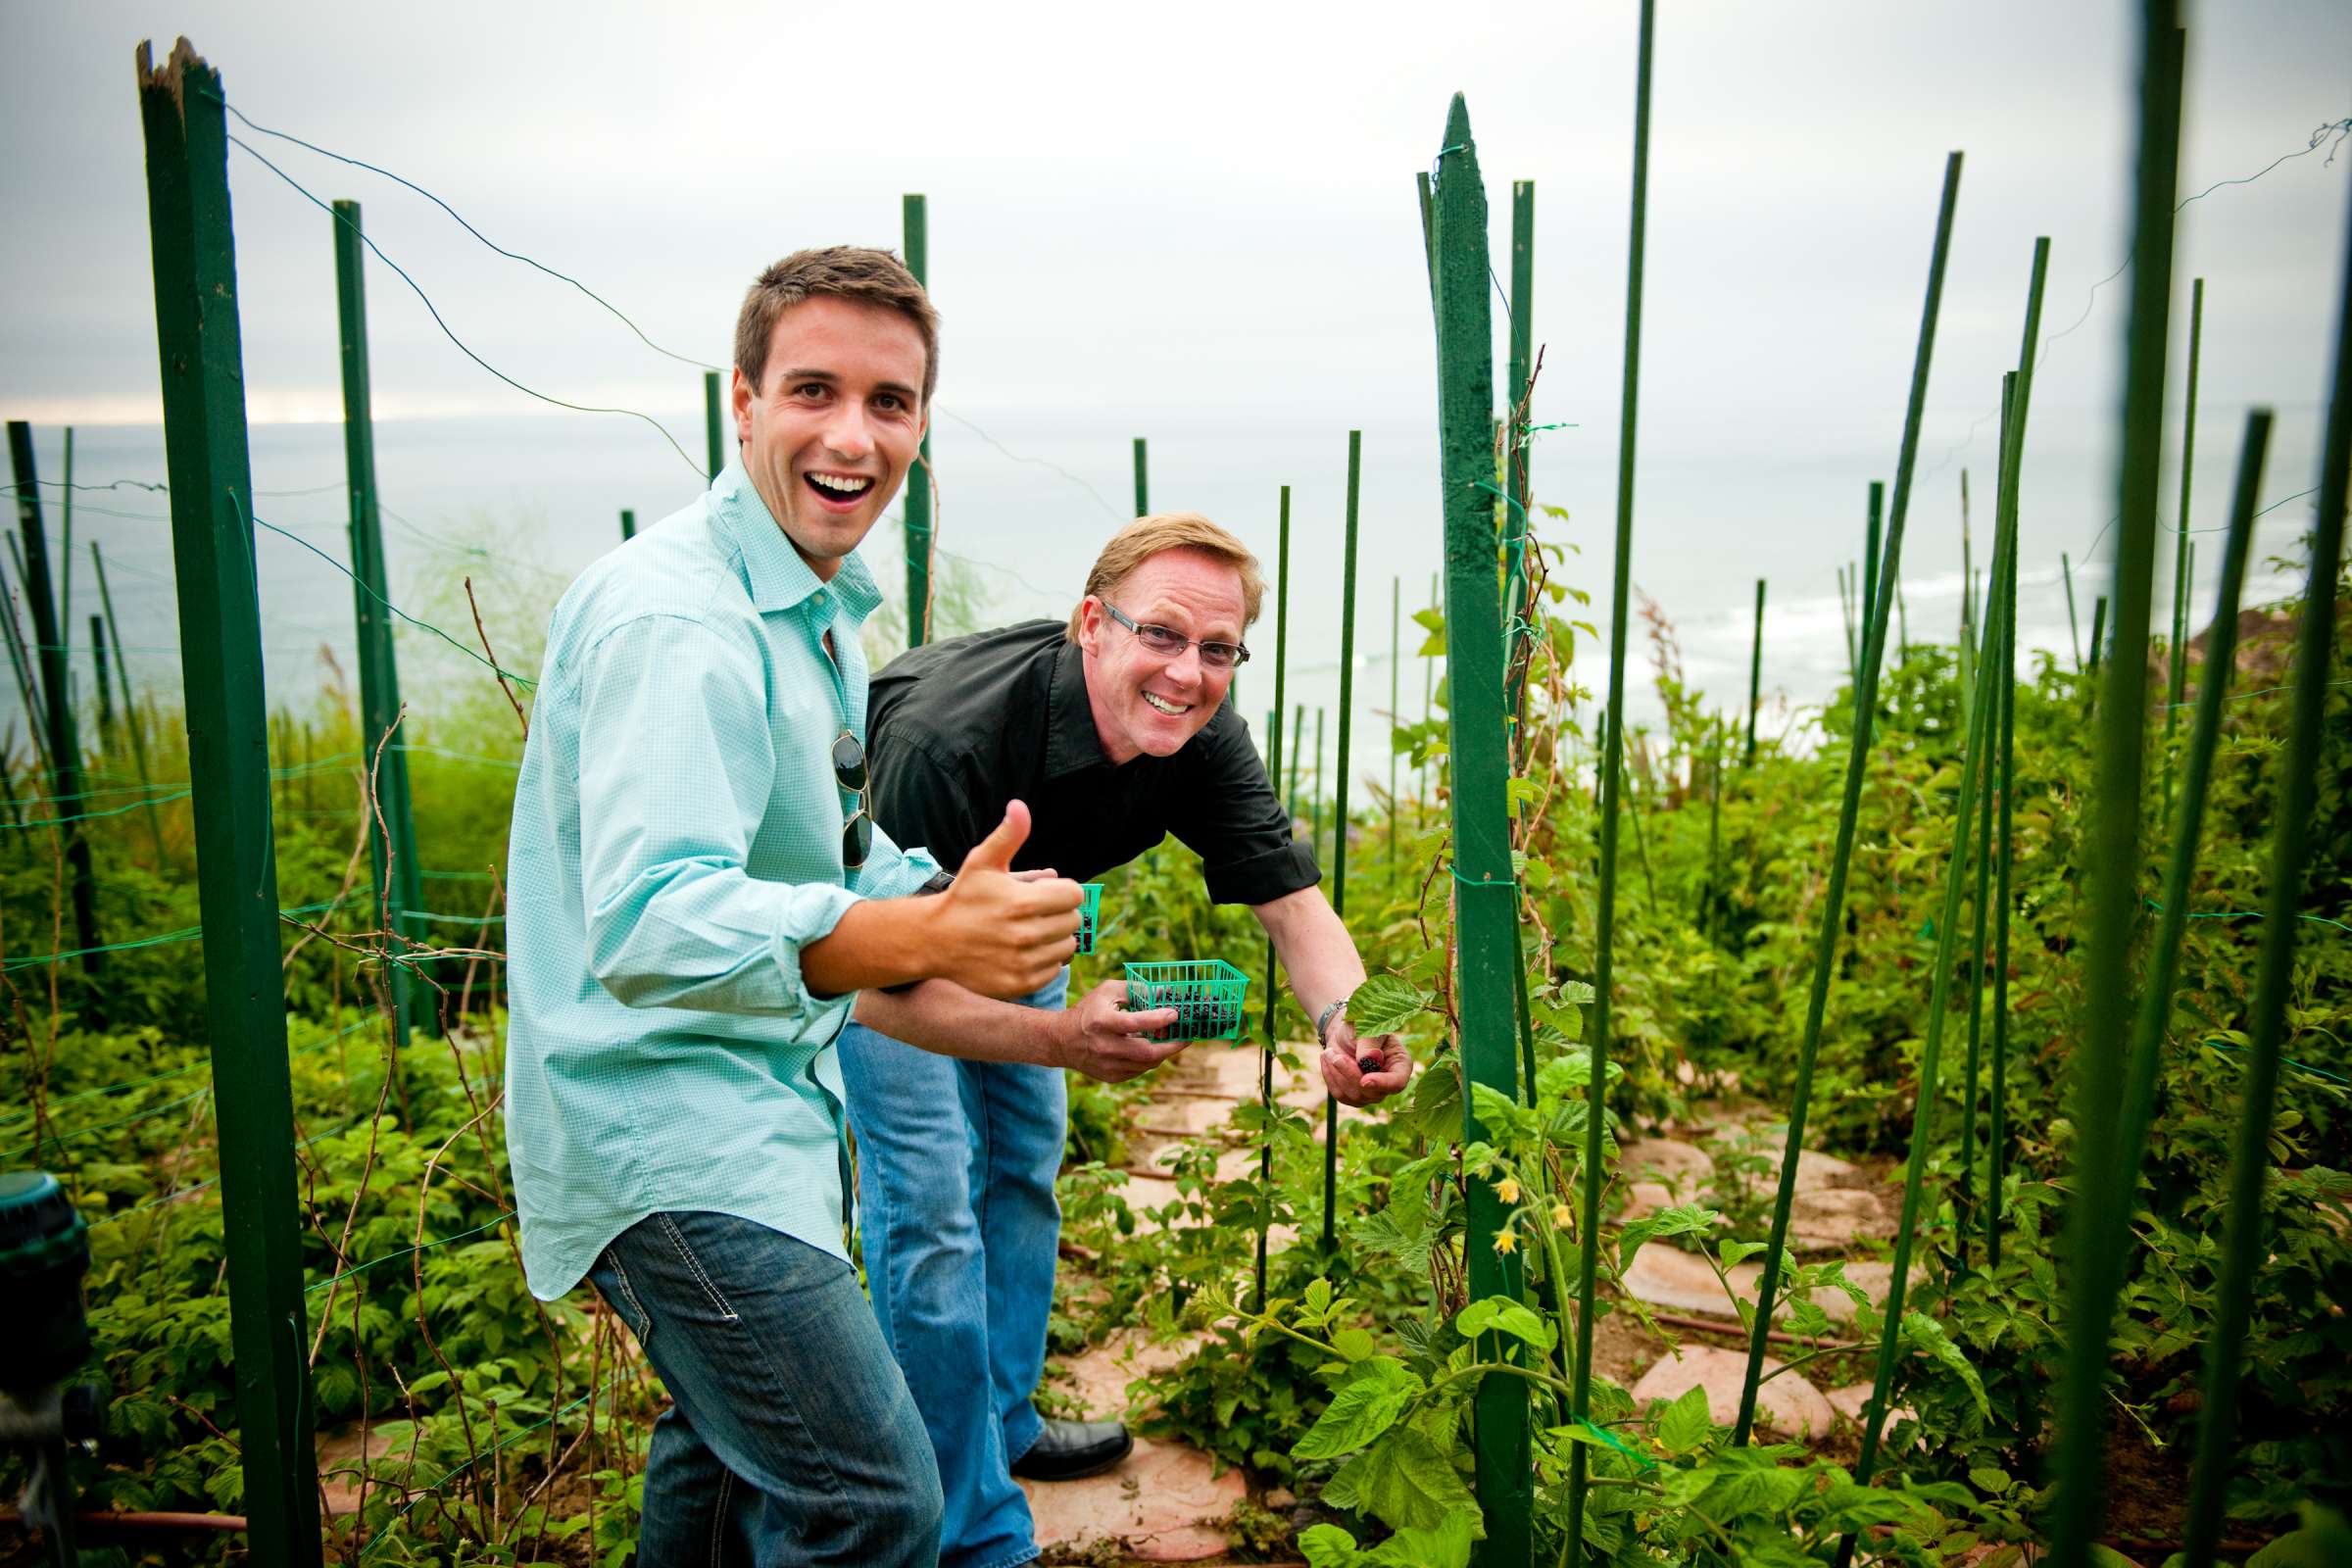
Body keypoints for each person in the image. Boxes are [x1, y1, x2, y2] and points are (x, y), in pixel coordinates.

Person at [503, 247, 1189, 1568]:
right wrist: (929, 931)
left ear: (921, 428)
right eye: (814, 388)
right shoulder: (680, 622)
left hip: (754, 1120)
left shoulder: (810, 615)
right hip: (666, 1147)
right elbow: (651, 924)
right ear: (744, 402)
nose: (852, 434)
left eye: (892, 402)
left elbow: (830, 923)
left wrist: (1050, 1025)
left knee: (721, 1467)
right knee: (870, 1500)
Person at [840, 513, 1416, 1568]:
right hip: (889, 922)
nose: (1189, 672)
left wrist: (1351, 1024)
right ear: (1091, 625)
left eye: (1217, 649)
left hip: (1024, 901)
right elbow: (874, 991)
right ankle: (961, 1517)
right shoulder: (945, 739)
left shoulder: (1203, 730)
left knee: (1020, 1168)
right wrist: (1059, 1035)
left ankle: (1003, 1418)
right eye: (1161, 634)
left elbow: (1292, 902)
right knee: (929, 1201)